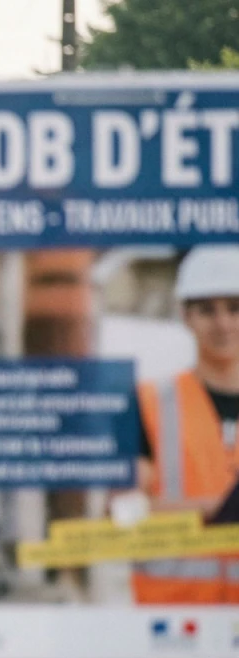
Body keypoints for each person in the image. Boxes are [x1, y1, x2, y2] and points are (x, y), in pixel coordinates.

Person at [131, 244, 239, 604]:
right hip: (174, 621)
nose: (223, 323)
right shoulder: (151, 403)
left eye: (234, 309)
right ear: (186, 316)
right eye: (207, 310)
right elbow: (125, 512)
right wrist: (212, 510)